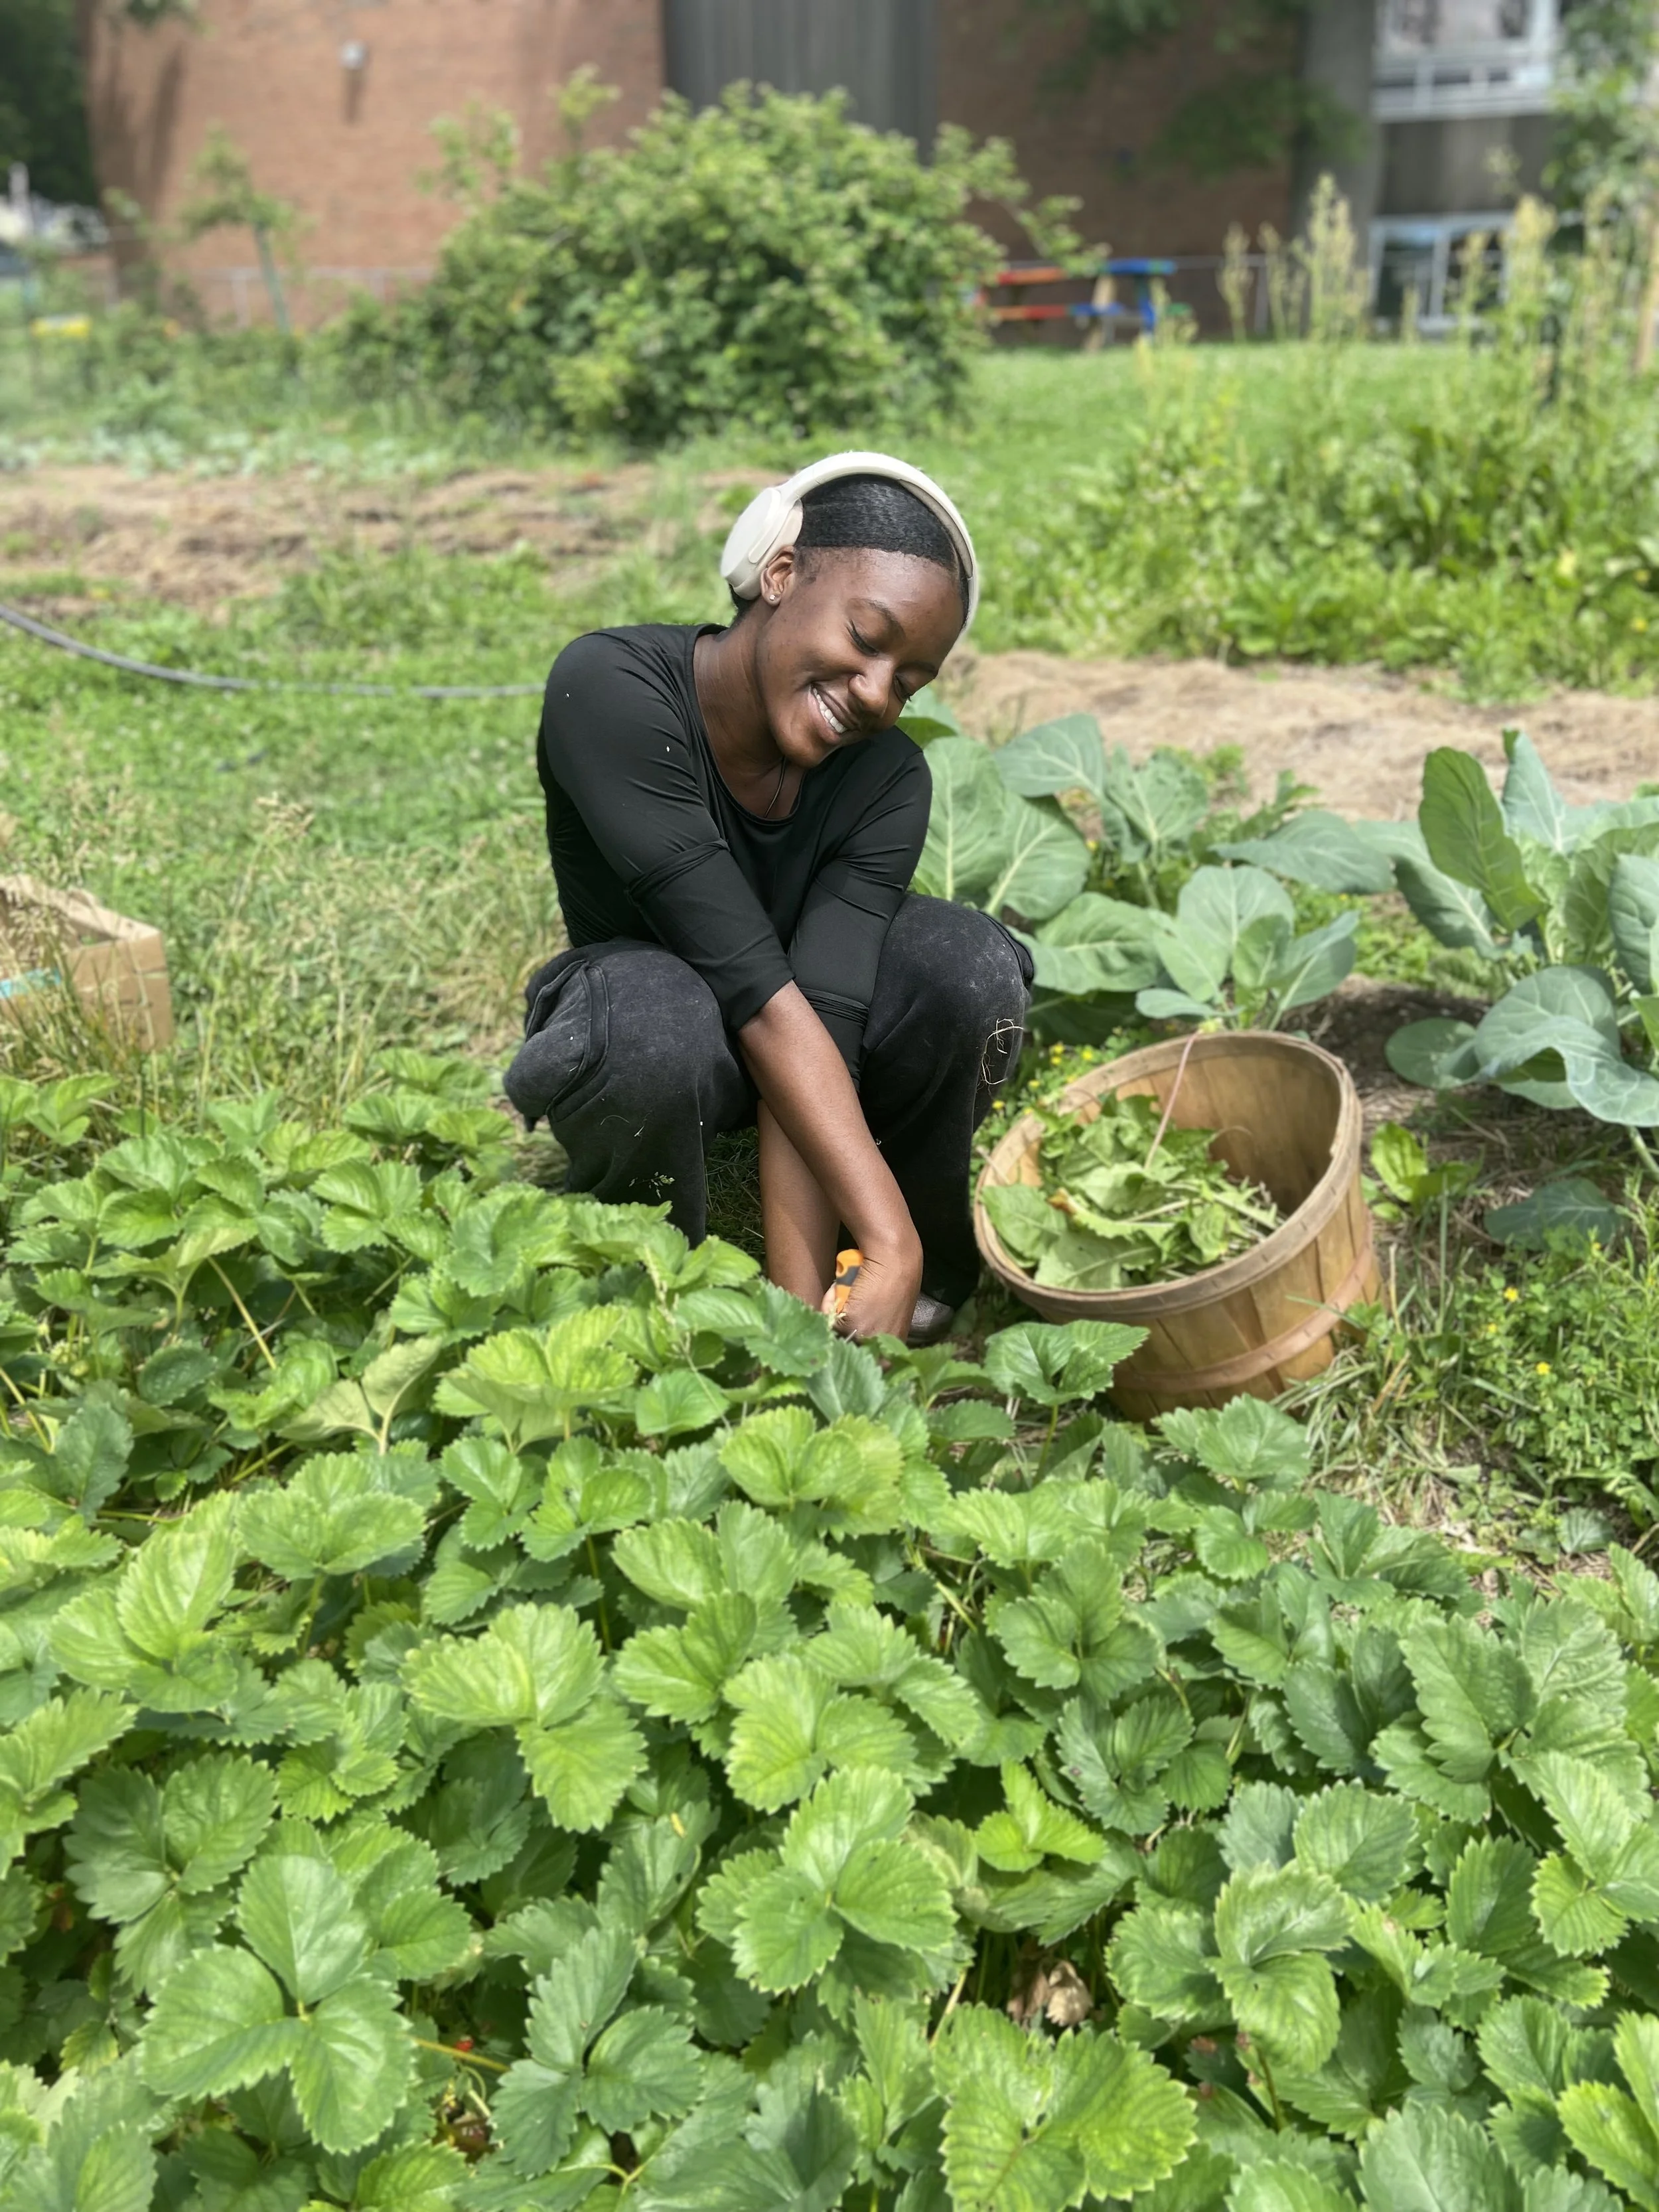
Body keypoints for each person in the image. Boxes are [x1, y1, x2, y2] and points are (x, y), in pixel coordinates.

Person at [504, 451, 1031, 1344]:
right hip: (658, 1003)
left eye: (908, 681)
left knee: (967, 967)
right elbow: (752, 991)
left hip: (813, 1040)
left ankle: (894, 1294)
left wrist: (806, 1325)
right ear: (778, 573)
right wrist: (883, 1233)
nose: (875, 693)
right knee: (650, 1030)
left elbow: (821, 1015)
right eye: (867, 640)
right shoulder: (613, 690)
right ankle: (659, 1281)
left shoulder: (886, 777)